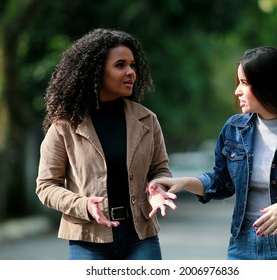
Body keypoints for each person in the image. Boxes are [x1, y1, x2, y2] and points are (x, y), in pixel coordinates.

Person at [149, 46, 277, 260]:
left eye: (244, 83)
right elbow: (222, 181)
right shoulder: (234, 129)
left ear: (268, 86)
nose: (237, 91)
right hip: (242, 247)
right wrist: (184, 182)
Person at [36, 28, 176, 260]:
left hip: (140, 237)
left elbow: (160, 170)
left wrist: (158, 189)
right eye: (120, 65)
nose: (131, 72)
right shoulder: (64, 126)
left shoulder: (147, 120)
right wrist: (84, 205)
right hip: (88, 240)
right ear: (95, 71)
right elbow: (46, 186)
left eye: (132, 65)